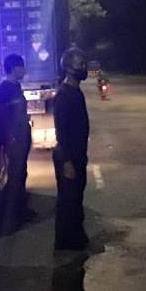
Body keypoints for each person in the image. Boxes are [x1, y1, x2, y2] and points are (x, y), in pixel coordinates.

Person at [53, 47, 91, 251]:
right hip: (68, 157)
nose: (83, 68)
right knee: (68, 201)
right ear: (68, 68)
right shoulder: (64, 95)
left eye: (84, 64)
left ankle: (77, 237)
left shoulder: (76, 92)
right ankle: (65, 243)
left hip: (78, 154)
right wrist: (67, 162)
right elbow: (61, 131)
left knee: (76, 199)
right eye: (79, 64)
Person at [0, 54, 33, 230]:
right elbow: (3, 119)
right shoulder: (3, 91)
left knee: (21, 174)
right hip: (14, 141)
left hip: (22, 138)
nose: (24, 70)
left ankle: (21, 210)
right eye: (21, 67)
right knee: (15, 176)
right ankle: (12, 216)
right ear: (13, 68)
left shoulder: (16, 86)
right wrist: (11, 139)